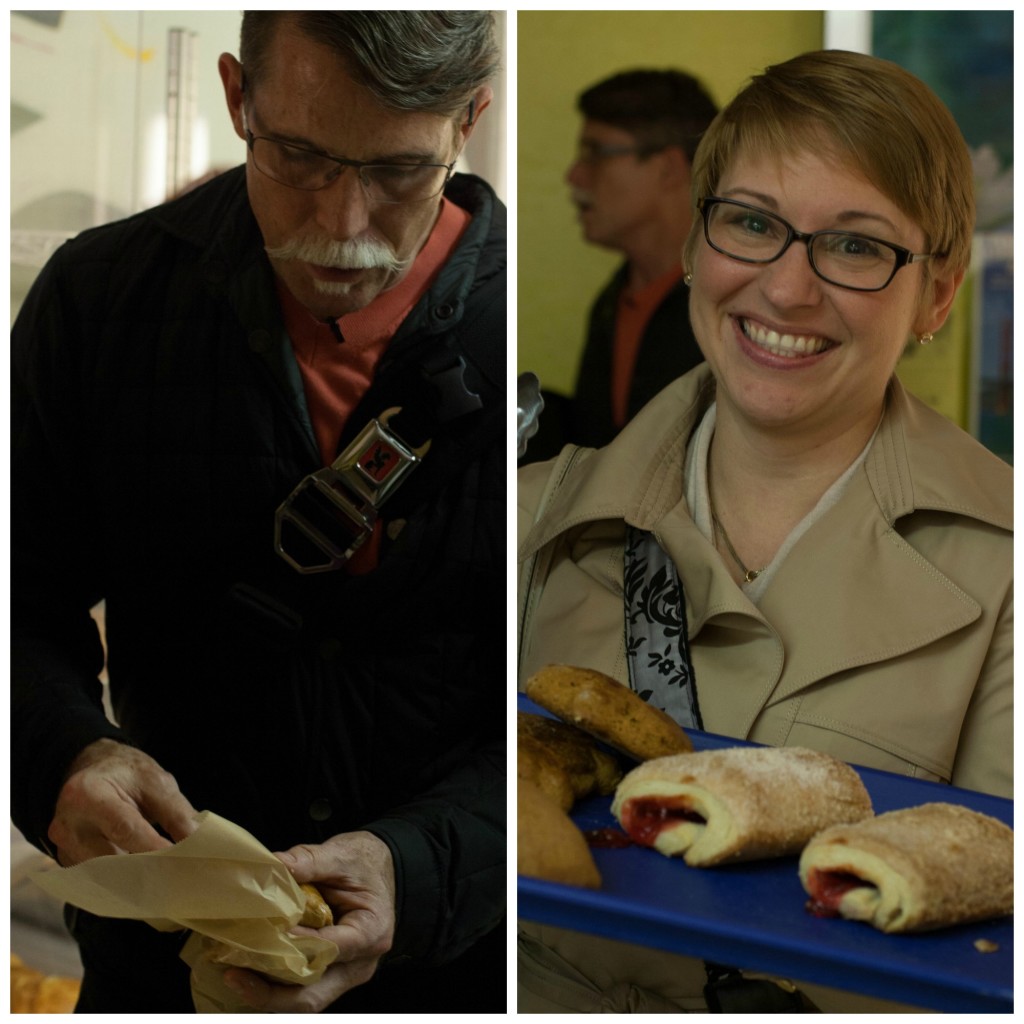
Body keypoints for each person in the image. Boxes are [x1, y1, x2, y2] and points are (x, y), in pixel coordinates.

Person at [12, 11, 505, 1014]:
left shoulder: (525, 341)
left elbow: (572, 713)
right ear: (238, 98)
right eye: (299, 156)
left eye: (399, 174)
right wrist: (61, 750)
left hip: (458, 973)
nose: (343, 224)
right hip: (158, 967)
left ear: (470, 121)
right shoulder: (98, 301)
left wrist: (419, 872)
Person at [517, 49, 1011, 1012]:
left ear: (938, 295)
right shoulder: (530, 522)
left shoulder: (1007, 572)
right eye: (751, 223)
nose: (787, 291)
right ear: (698, 246)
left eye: (857, 246)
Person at [529, 70, 718, 460]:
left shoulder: (729, 303)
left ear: (668, 168)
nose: (574, 174)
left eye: (596, 152)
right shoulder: (613, 301)